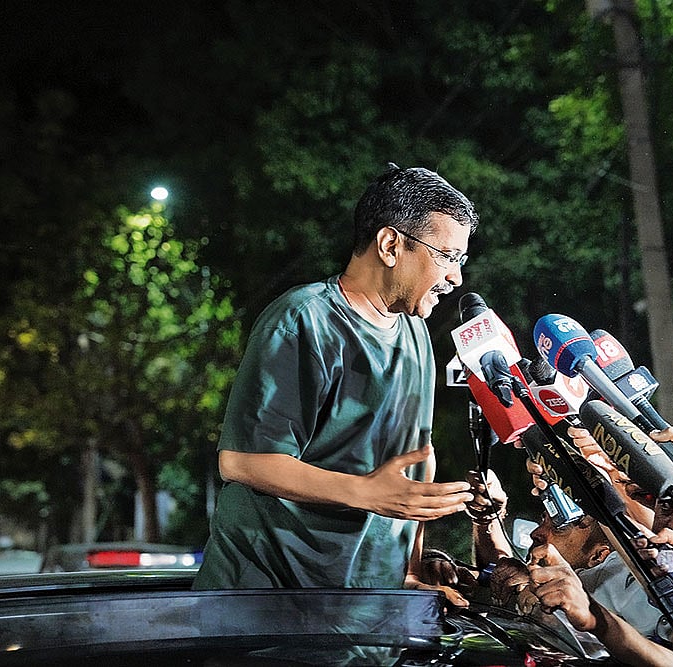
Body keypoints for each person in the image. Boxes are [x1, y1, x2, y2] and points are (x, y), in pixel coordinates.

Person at [193, 164, 478, 592]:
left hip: (368, 611)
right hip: (267, 609)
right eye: (448, 257)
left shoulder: (417, 333)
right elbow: (242, 461)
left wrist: (412, 570)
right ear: (390, 244)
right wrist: (364, 492)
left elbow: (417, 460)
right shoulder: (302, 321)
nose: (456, 278)